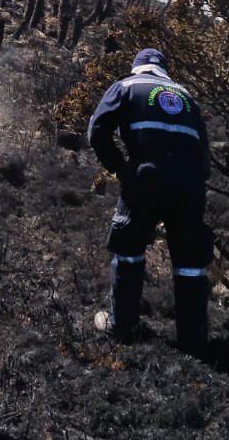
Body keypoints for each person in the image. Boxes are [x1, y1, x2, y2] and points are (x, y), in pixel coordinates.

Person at [87, 47, 214, 354]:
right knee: (190, 264)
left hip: (146, 177)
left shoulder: (126, 86)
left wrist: (120, 168)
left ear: (137, 67)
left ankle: (124, 326)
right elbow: (205, 155)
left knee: (129, 251)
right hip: (189, 184)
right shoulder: (187, 97)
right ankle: (193, 339)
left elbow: (97, 131)